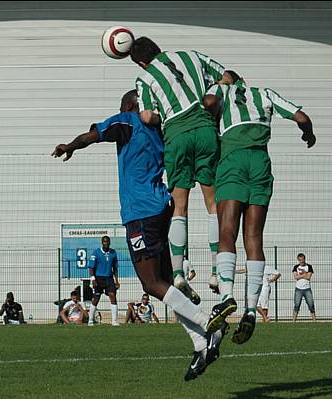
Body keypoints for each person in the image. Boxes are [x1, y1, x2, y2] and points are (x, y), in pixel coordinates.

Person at [52, 90, 228, 381]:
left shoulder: (127, 121)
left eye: (123, 106)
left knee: (151, 283)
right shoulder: (160, 129)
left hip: (140, 213)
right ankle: (201, 345)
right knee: (166, 282)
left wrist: (70, 145)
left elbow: (92, 136)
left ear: (132, 106)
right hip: (162, 206)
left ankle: (209, 323)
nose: (121, 110)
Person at [202, 78, 316, 343]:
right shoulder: (264, 93)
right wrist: (308, 134)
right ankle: (251, 310)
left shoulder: (223, 90)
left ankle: (226, 296)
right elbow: (301, 117)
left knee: (226, 233)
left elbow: (209, 102)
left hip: (233, 159)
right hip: (260, 163)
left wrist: (213, 110)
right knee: (253, 238)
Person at [131, 37, 240, 299]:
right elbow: (227, 77)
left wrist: (164, 115)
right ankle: (216, 270)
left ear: (142, 62)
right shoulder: (191, 56)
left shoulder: (145, 79)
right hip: (205, 129)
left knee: (180, 206)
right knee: (213, 203)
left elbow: (146, 117)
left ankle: (178, 273)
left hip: (177, 135)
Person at [87, 235, 121, 326]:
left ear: (109, 242)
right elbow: (91, 268)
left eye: (108, 241)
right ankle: (90, 320)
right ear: (102, 242)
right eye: (105, 241)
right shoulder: (96, 253)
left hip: (109, 278)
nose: (106, 243)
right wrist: (93, 279)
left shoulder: (113, 253)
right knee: (96, 298)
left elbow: (115, 268)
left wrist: (116, 281)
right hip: (98, 278)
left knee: (113, 296)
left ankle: (114, 321)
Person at [292, 253, 316, 322]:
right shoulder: (295, 267)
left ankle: (314, 320)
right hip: (298, 289)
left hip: (307, 289)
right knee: (297, 305)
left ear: (304, 259)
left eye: (302, 259)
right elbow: (295, 277)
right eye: (300, 260)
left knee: (311, 304)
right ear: (298, 260)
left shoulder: (309, 266)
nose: (301, 261)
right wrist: (305, 274)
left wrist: (300, 276)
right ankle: (293, 321)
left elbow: (309, 277)